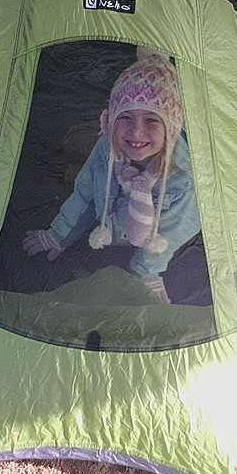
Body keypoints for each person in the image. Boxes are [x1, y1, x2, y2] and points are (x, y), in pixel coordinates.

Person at [22, 48, 201, 303]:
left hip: (142, 229)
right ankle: (85, 133)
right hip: (111, 194)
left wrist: (145, 273)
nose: (137, 131)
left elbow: (176, 229)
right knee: (75, 156)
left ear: (170, 129)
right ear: (111, 121)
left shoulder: (185, 178)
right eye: (125, 117)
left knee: (74, 160)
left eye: (152, 120)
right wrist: (59, 234)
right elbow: (84, 192)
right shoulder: (107, 146)